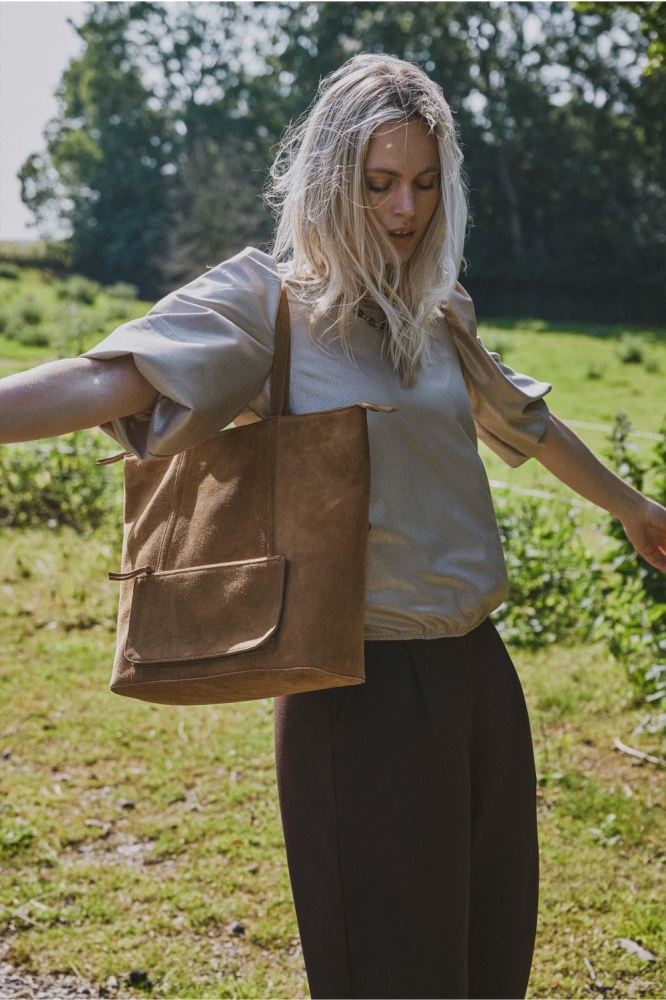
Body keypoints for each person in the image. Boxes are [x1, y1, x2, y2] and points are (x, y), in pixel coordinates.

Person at [2, 54, 665, 1000]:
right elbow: (107, 377)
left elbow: (529, 423)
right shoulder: (264, 306)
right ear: (328, 182)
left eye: (426, 184)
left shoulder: (437, 311)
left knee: (488, 965)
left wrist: (634, 509)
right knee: (393, 975)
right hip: (359, 689)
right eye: (380, 183)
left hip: (481, 674)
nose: (406, 210)